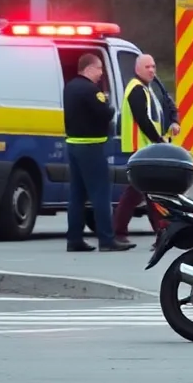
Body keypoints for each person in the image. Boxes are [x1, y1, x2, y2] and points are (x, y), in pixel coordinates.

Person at [63, 53, 134, 252]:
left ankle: (74, 239)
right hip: (91, 147)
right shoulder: (90, 89)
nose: (101, 74)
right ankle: (107, 239)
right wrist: (108, 106)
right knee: (100, 194)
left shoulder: (69, 87)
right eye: (99, 69)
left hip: (73, 145)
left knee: (76, 196)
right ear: (89, 68)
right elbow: (105, 112)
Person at [112, 54, 170, 247]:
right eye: (147, 67)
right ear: (137, 69)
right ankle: (119, 232)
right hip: (140, 148)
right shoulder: (137, 89)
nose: (152, 70)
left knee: (147, 192)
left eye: (153, 66)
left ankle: (161, 233)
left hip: (145, 148)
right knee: (138, 192)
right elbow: (143, 120)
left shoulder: (145, 88)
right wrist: (158, 140)